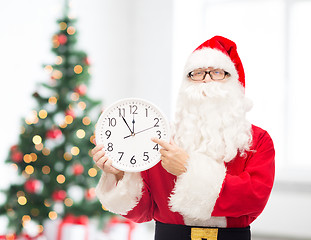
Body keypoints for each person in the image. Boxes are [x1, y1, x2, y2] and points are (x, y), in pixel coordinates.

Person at [92, 36, 275, 240]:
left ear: (234, 82)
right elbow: (143, 211)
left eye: (217, 72)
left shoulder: (258, 140)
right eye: (197, 73)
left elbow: (253, 200)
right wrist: (119, 174)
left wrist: (189, 169)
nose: (206, 79)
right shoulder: (161, 139)